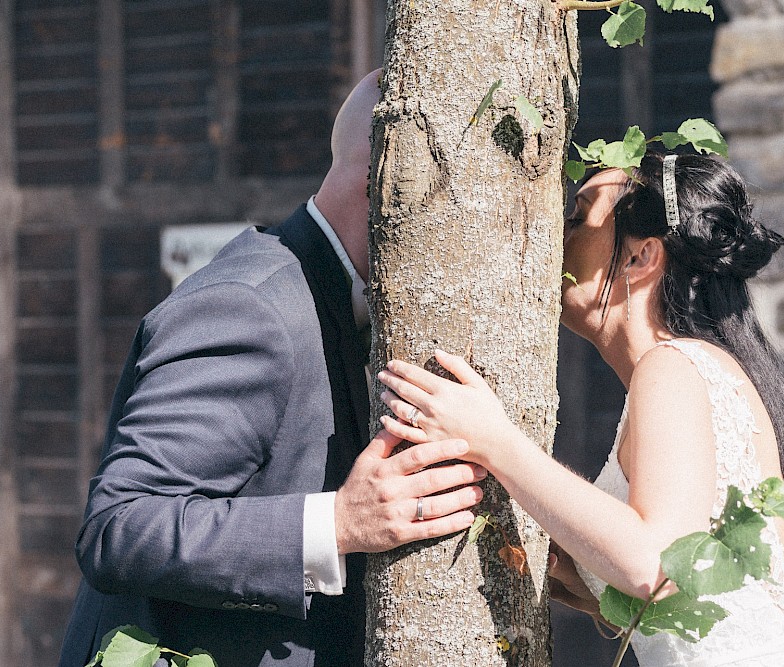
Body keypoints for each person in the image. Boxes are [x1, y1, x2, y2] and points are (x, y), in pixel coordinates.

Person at [58, 70, 485, 667]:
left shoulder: (339, 297)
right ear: (390, 179)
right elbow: (120, 526)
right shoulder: (251, 307)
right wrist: (336, 522)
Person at [376, 152, 784, 666]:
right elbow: (687, 594)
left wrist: (493, 440)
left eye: (579, 216)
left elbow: (654, 564)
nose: (557, 237)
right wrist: (574, 573)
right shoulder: (699, 369)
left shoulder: (672, 366)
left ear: (639, 257)